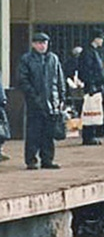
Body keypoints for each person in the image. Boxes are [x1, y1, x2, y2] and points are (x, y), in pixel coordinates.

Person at [18, 32, 65, 170]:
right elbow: (23, 80)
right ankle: (31, 160)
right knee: (33, 131)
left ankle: (47, 159)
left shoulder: (53, 59)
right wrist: (33, 96)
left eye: (44, 43)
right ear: (33, 44)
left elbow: (59, 79)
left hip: (52, 101)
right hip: (34, 102)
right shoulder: (26, 59)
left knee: (48, 133)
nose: (42, 46)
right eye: (39, 43)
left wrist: (61, 97)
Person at [77, 29, 104, 146]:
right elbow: (87, 70)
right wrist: (91, 84)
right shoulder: (89, 52)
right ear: (96, 39)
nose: (102, 41)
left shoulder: (92, 51)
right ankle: (89, 136)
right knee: (90, 112)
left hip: (95, 85)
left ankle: (91, 135)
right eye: (101, 39)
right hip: (92, 86)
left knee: (94, 111)